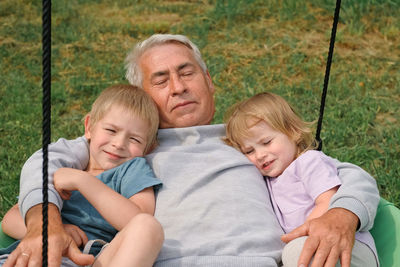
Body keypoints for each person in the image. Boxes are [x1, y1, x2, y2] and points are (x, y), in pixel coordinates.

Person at [6, 34, 379, 267]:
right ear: (144, 97)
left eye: (187, 73)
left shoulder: (246, 142)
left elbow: (348, 175)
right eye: (161, 79)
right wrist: (47, 225)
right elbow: (46, 163)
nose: (179, 87)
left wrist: (341, 216)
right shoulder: (130, 146)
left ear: (209, 82)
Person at [0, 84, 164, 267]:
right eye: (111, 130)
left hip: (90, 260)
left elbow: (138, 218)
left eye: (134, 139)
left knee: (148, 227)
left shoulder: (131, 169)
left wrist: (82, 181)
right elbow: (10, 218)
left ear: (148, 148)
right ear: (89, 127)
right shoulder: (63, 167)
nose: (119, 144)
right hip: (30, 258)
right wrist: (56, 232)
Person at [224, 92, 379, 266]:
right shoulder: (266, 182)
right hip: (307, 250)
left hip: (347, 246)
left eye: (266, 142)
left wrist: (302, 236)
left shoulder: (309, 162)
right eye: (249, 151)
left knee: (297, 252)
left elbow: (327, 201)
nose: (260, 155)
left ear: (293, 132)